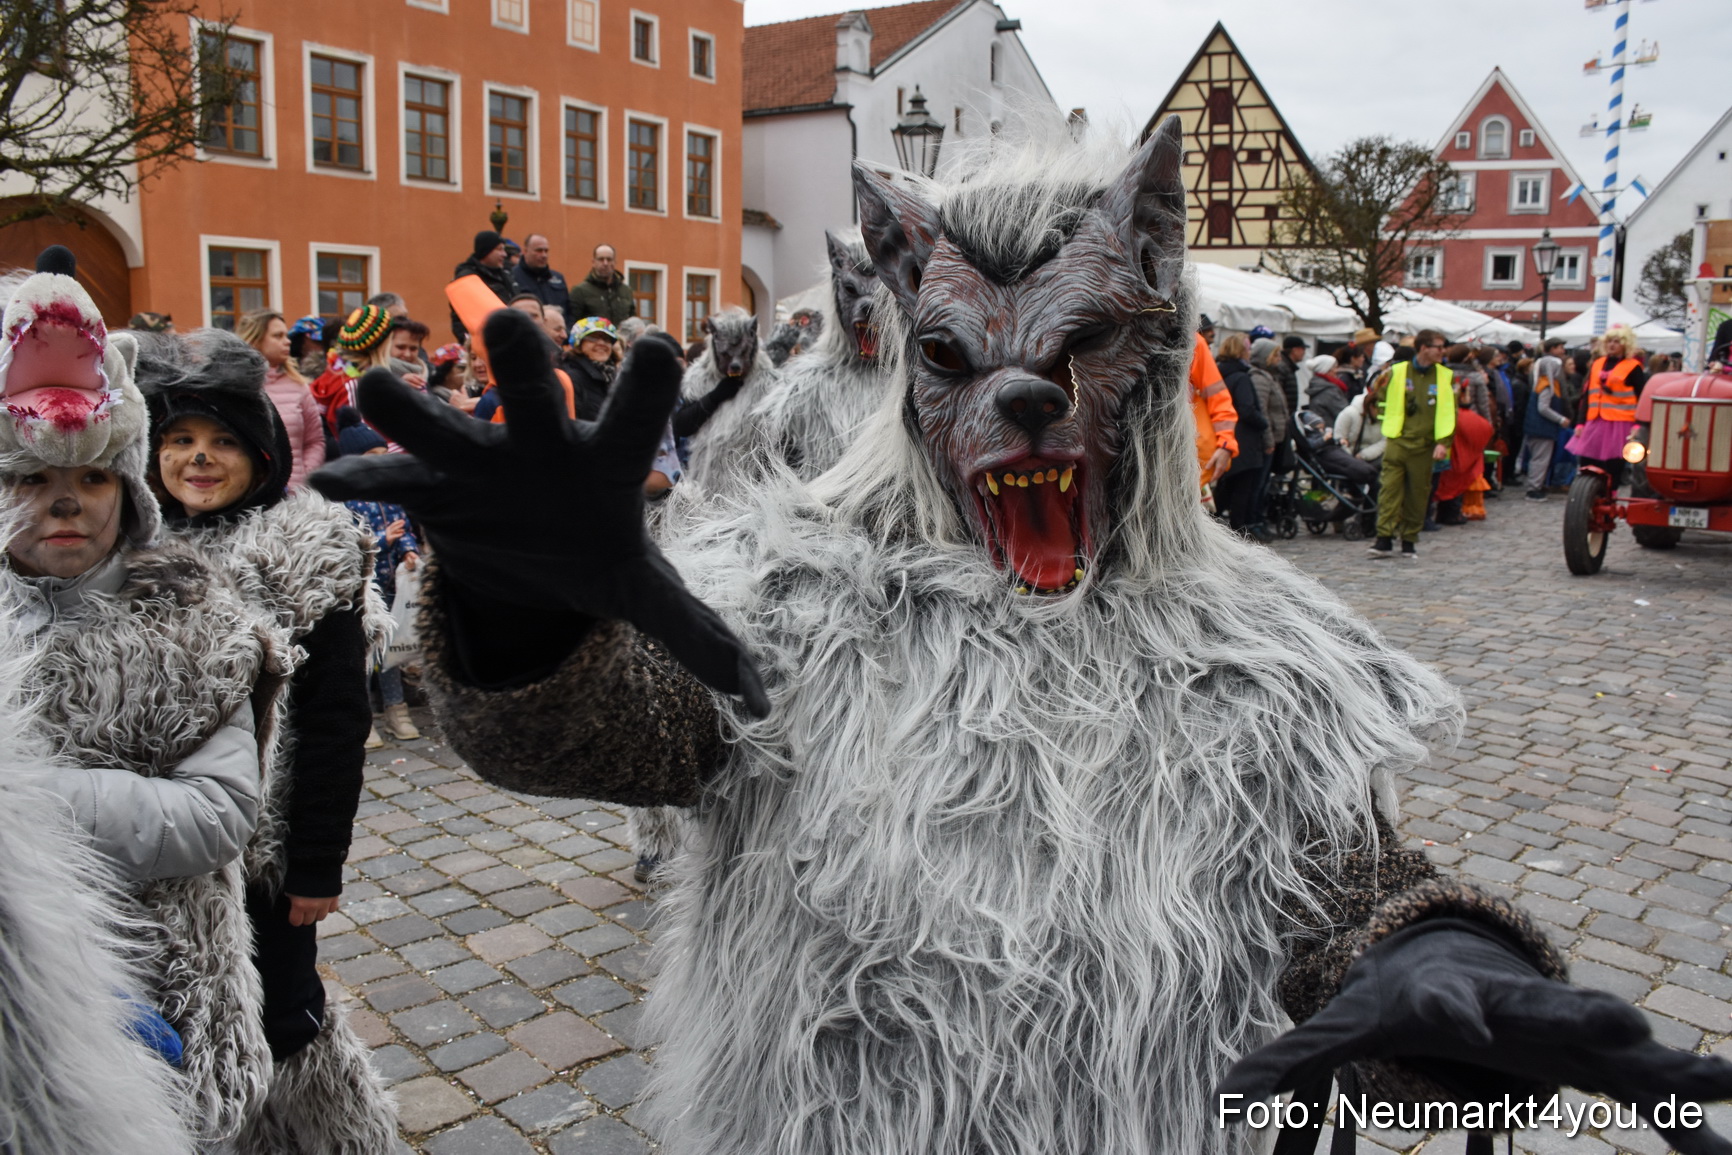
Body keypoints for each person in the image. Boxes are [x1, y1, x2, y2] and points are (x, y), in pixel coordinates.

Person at [315, 121, 1730, 1155]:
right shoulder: (795, 591)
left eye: (1084, 350)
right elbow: (596, 731)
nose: (1026, 398)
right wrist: (525, 605)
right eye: (958, 357)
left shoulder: (1269, 653)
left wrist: (1441, 954)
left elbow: (1348, 892)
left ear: (1158, 368)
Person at [0, 248, 281, 1147]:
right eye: (34, 481)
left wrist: (25, 806)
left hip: (162, 973)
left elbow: (220, 809)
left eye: (90, 480)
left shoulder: (191, 622)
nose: (66, 504)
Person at [137, 330, 396, 1152]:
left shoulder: (305, 552)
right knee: (178, 1020)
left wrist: (316, 864)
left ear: (263, 451)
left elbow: (333, 725)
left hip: (264, 854)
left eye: (221, 442)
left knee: (283, 1017)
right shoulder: (133, 549)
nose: (198, 459)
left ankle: (326, 1138)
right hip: (159, 855)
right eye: (179, 440)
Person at [336, 410, 421, 745]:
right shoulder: (345, 500)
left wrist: (407, 549)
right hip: (363, 592)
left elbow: (405, 529)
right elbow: (348, 547)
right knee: (363, 655)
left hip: (391, 588)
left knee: (390, 652)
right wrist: (384, 541)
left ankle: (396, 708)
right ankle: (364, 716)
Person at [1367, 328, 1454, 559]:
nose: (1443, 351)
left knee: (1418, 494)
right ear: (1424, 347)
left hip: (1425, 446)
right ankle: (1383, 538)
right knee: (1389, 491)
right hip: (1398, 440)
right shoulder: (1397, 372)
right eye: (1439, 346)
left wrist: (1443, 442)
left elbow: (1448, 412)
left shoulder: (1445, 376)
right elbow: (1379, 398)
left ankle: (1409, 540)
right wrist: (1386, 425)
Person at [237, 309, 325, 491]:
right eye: (278, 336)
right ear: (254, 340)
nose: (288, 341)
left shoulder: (299, 386)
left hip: (296, 497)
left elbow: (315, 441)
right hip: (249, 497)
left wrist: (305, 476)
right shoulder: (234, 387)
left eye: (286, 335)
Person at [1565, 324, 1647, 488]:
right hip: (1595, 421)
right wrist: (1580, 422)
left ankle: (1611, 493)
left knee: (1613, 465)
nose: (1612, 345)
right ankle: (1588, 493)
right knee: (1587, 461)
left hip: (1620, 424)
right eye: (1609, 341)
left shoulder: (1633, 367)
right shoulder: (1597, 364)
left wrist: (1638, 424)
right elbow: (1587, 396)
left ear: (1625, 344)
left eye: (1617, 341)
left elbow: (1642, 398)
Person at [1210, 333, 1267, 537]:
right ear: (1241, 351)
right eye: (1248, 349)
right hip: (1243, 441)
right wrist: (1264, 423)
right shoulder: (1242, 377)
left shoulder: (1218, 373)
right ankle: (1238, 531)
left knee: (1226, 487)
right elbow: (1247, 409)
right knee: (1242, 489)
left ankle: (1214, 525)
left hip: (1223, 436)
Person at [1523, 354, 1573, 501]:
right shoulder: (1546, 385)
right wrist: (1560, 419)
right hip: (1541, 428)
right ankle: (1533, 489)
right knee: (1540, 459)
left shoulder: (1544, 383)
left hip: (1541, 427)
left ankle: (1537, 485)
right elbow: (1543, 408)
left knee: (1540, 458)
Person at [449, 231, 513, 341]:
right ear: (486, 251)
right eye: (499, 249)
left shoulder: (506, 274)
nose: (504, 254)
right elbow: (460, 319)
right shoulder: (467, 278)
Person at [567, 243, 635, 324]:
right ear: (593, 262)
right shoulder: (580, 291)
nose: (605, 263)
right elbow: (573, 324)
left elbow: (632, 322)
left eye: (609, 259)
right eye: (601, 259)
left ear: (615, 262)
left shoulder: (626, 291)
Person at [512, 232, 571, 322]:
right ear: (525, 251)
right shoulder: (512, 277)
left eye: (546, 251)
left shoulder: (558, 278)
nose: (544, 255)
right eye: (539, 251)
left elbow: (569, 312)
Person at [1301, 353, 1350, 426]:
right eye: (1334, 367)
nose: (1336, 371)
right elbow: (1345, 414)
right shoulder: (1329, 390)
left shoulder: (1317, 385)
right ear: (1326, 370)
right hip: (1330, 431)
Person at [287, 315, 327, 379]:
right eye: (317, 341)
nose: (322, 346)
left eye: (324, 341)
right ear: (301, 341)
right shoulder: (286, 369)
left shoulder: (331, 368)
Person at [1275, 334, 1306, 415]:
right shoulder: (1283, 367)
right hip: (1282, 414)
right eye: (1302, 349)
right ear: (1295, 350)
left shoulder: (1288, 367)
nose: (1304, 352)